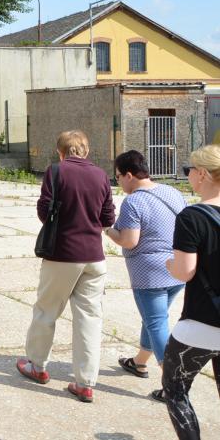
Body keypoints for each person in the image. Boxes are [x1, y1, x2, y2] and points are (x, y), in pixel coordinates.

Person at [15, 130, 115, 403]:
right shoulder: (101, 175)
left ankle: (37, 366)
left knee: (46, 311)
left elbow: (44, 210)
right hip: (94, 257)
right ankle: (85, 383)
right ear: (86, 150)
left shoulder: (56, 171)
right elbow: (108, 217)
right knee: (89, 319)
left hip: (62, 254)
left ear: (61, 151)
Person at [104, 150, 186, 398]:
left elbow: (129, 241)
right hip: (176, 269)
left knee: (156, 322)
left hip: (148, 275)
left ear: (129, 175)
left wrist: (106, 229)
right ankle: (139, 362)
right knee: (153, 318)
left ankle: (173, 386)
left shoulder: (134, 202)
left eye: (118, 176)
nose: (118, 181)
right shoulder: (173, 193)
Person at [160, 145, 220, 438]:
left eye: (189, 170)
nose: (188, 176)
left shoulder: (192, 217)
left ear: (203, 174)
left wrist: (170, 264)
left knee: (175, 389)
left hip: (202, 321)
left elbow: (185, 271)